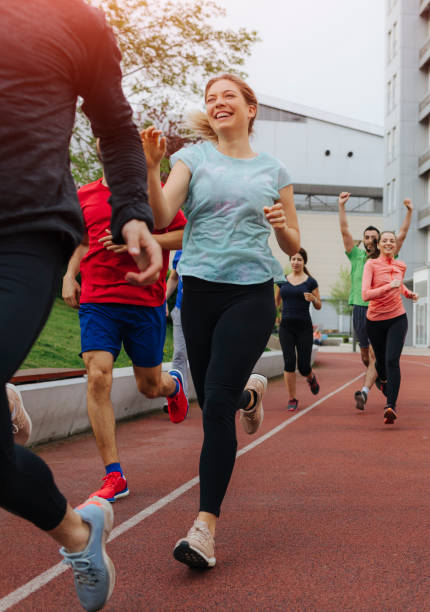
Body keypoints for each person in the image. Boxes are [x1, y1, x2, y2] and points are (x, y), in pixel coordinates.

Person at [0, 1, 163, 610]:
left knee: (132, 376)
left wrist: (133, 214)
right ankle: (77, 531)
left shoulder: (78, 21)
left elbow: (117, 131)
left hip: (23, 230)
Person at [141, 73, 300, 569]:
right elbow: (163, 213)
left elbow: (295, 245)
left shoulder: (275, 170)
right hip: (200, 292)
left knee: (214, 411)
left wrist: (283, 229)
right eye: (211, 99)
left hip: (252, 292)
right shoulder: (193, 158)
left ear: (251, 108)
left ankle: (204, 528)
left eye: (228, 95)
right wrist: (151, 168)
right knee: (213, 396)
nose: (218, 103)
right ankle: (249, 392)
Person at [62, 152, 188, 503]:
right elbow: (83, 240)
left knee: (149, 387)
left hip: (143, 302)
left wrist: (141, 238)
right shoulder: (85, 194)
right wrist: (70, 274)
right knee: (97, 375)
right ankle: (114, 474)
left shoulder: (154, 193)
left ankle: (171, 385)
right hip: (97, 300)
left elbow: (182, 234)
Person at [338, 192, 412, 411]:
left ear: (379, 242)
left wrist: (409, 211)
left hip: (384, 311)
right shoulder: (357, 256)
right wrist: (342, 206)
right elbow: (344, 231)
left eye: (373, 237)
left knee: (374, 356)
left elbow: (404, 233)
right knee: (366, 356)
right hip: (361, 309)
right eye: (366, 236)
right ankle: (381, 382)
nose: (369, 239)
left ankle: (366, 391)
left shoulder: (389, 256)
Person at [362, 231, 418, 424]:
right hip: (375, 321)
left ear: (395, 245)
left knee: (392, 360)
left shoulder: (400, 265)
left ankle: (390, 406)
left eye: (392, 241)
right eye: (384, 240)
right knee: (382, 364)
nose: (388, 243)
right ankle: (383, 381)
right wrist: (388, 287)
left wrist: (408, 293)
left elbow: (399, 286)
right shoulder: (371, 265)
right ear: (379, 245)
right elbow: (365, 295)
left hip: (397, 318)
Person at [275, 248, 321, 411]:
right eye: (293, 259)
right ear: (290, 261)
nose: (295, 262)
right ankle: (292, 398)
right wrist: (275, 317)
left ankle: (311, 377)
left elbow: (319, 305)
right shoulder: (282, 280)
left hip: (303, 328)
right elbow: (276, 302)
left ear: (304, 262)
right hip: (286, 327)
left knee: (303, 366)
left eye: (299, 259)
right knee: (288, 362)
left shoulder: (311, 282)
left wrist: (313, 299)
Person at [163, 250, 189, 412]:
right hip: (181, 311)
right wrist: (162, 299)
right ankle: (179, 397)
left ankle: (217, 398)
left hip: (206, 312)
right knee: (179, 354)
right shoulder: (181, 250)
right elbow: (173, 277)